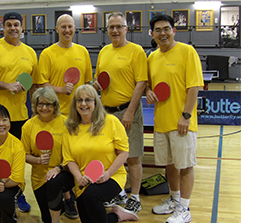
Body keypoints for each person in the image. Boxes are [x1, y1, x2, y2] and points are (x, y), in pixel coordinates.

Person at [146, 14, 203, 223]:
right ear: (152, 34)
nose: (163, 33)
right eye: (158, 30)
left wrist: (186, 116)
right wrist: (149, 91)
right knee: (169, 165)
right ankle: (174, 198)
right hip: (161, 122)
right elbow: (149, 84)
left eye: (166, 29)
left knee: (186, 165)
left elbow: (194, 86)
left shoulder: (187, 52)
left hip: (182, 123)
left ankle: (185, 209)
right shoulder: (152, 57)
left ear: (174, 30)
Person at [0, 10, 36, 212]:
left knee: (17, 160)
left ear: (22, 27)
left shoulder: (30, 53)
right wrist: (6, 85)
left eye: (16, 24)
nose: (13, 28)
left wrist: (36, 110)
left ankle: (18, 194)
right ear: (2, 27)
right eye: (9, 24)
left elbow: (33, 85)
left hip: (20, 116)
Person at [92, 11, 147, 218]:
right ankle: (119, 192)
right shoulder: (104, 51)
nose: (115, 30)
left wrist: (130, 112)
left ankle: (135, 198)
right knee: (112, 155)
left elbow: (141, 83)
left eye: (119, 26)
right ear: (107, 30)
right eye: (111, 27)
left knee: (132, 156)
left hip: (127, 111)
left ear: (126, 28)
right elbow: (99, 80)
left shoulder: (136, 51)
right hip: (106, 113)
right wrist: (95, 85)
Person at [62, 84, 138, 222]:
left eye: (88, 100)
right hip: (84, 179)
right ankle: (118, 215)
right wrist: (79, 177)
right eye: (79, 100)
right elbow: (69, 159)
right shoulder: (70, 127)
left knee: (92, 196)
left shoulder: (111, 122)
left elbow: (124, 152)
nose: (83, 104)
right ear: (75, 104)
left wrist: (108, 173)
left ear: (95, 102)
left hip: (112, 175)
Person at [21, 86, 77, 223]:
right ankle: (61, 205)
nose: (44, 108)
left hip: (64, 172)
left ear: (55, 105)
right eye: (40, 104)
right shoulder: (28, 126)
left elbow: (73, 153)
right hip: (39, 178)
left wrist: (58, 167)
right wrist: (38, 160)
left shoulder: (65, 123)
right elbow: (24, 155)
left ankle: (67, 198)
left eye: (48, 104)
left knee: (54, 183)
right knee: (46, 218)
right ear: (35, 105)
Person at [37, 14, 92, 116]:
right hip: (56, 113)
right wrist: (61, 90)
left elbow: (87, 83)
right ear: (57, 29)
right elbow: (42, 85)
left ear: (74, 28)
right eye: (63, 27)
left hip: (79, 112)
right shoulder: (47, 54)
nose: (67, 30)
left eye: (70, 26)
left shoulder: (83, 51)